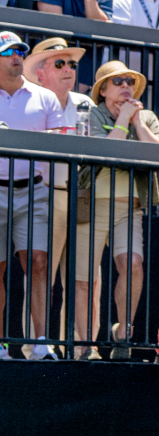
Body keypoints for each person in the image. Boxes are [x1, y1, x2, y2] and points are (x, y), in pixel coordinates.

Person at [83, 61, 159, 360]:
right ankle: (84, 344)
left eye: (130, 80)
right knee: (85, 275)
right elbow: (102, 153)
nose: (126, 86)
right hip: (91, 204)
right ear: (103, 90)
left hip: (131, 208)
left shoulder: (146, 116)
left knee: (132, 264)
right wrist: (123, 122)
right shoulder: (92, 113)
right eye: (117, 81)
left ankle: (123, 333)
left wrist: (138, 123)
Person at [25, 38, 92, 333]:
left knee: (86, 280)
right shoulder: (30, 103)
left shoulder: (86, 104)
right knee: (42, 275)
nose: (69, 69)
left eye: (72, 64)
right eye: (60, 63)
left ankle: (80, 350)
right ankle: (35, 345)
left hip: (81, 196)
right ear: (40, 72)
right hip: (45, 194)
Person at [0, 35, 60, 360]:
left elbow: (64, 145)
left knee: (38, 263)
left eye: (21, 51)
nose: (16, 56)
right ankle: (0, 345)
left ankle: (41, 343)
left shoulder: (45, 97)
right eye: (8, 51)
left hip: (34, 190)